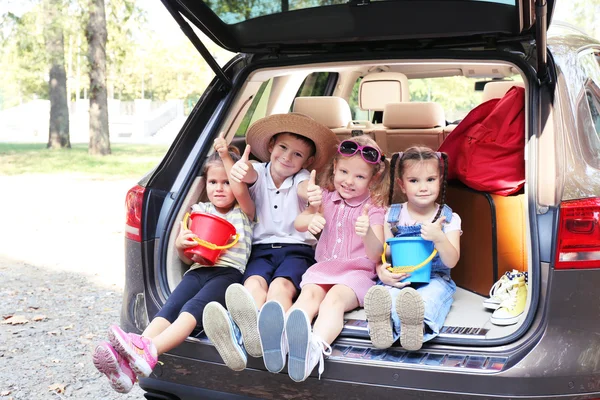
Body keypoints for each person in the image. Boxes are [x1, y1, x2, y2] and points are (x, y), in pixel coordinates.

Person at [91, 140, 255, 393]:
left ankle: (149, 351)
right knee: (170, 308)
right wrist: (180, 245)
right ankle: (128, 366)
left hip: (227, 274)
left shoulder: (244, 211)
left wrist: (224, 154)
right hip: (198, 270)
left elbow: (241, 191)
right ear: (205, 185)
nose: (220, 188)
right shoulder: (199, 210)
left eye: (226, 183)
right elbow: (188, 257)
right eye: (213, 182)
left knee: (191, 310)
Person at [202, 113, 339, 371]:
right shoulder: (258, 172)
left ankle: (273, 338)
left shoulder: (301, 180)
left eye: (297, 155)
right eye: (283, 148)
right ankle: (247, 333)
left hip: (296, 251)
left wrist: (312, 194)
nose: (287, 157)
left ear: (308, 162)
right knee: (253, 285)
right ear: (270, 147)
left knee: (280, 288)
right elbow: (248, 173)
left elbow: (303, 191)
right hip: (261, 250)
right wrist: (236, 166)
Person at [258, 135, 390, 382]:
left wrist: (369, 232)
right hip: (323, 269)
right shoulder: (326, 198)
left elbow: (376, 253)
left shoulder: (374, 208)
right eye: (343, 172)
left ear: (373, 180)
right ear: (334, 169)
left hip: (356, 273)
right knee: (307, 298)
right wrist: (311, 219)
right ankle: (282, 342)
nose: (349, 181)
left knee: (333, 301)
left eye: (360, 177)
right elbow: (298, 223)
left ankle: (313, 349)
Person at [364, 146, 461, 352]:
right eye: (414, 181)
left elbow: (451, 261)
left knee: (428, 298)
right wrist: (382, 270)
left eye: (430, 179)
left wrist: (439, 238)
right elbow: (386, 253)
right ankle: (384, 327)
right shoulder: (392, 215)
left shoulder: (449, 218)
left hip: (435, 278)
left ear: (440, 180)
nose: (423, 187)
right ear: (402, 185)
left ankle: (416, 328)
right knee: (388, 294)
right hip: (400, 275)